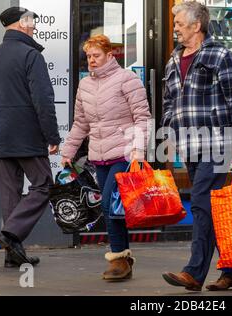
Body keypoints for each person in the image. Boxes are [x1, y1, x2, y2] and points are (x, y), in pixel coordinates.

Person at [161, 2, 232, 292]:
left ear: (196, 26)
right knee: (214, 209)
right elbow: (169, 102)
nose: (174, 27)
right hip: (188, 144)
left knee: (201, 202)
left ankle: (194, 272)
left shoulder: (220, 55)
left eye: (178, 23)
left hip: (216, 141)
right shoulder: (174, 59)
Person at [61, 34, 151, 281]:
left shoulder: (127, 79)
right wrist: (68, 152)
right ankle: (122, 260)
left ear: (110, 55)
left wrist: (138, 150)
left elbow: (142, 117)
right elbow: (81, 123)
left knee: (109, 204)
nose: (91, 60)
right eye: (88, 56)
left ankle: (119, 258)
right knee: (114, 208)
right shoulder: (85, 85)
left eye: (96, 55)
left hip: (124, 154)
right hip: (99, 156)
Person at [0, 7, 61, 267]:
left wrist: (5, 116)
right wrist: (52, 135)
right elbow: (43, 100)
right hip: (28, 135)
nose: (34, 26)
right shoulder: (30, 55)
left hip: (3, 135)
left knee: (10, 194)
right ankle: (10, 233)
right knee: (43, 184)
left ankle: (12, 256)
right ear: (21, 24)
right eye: (31, 22)